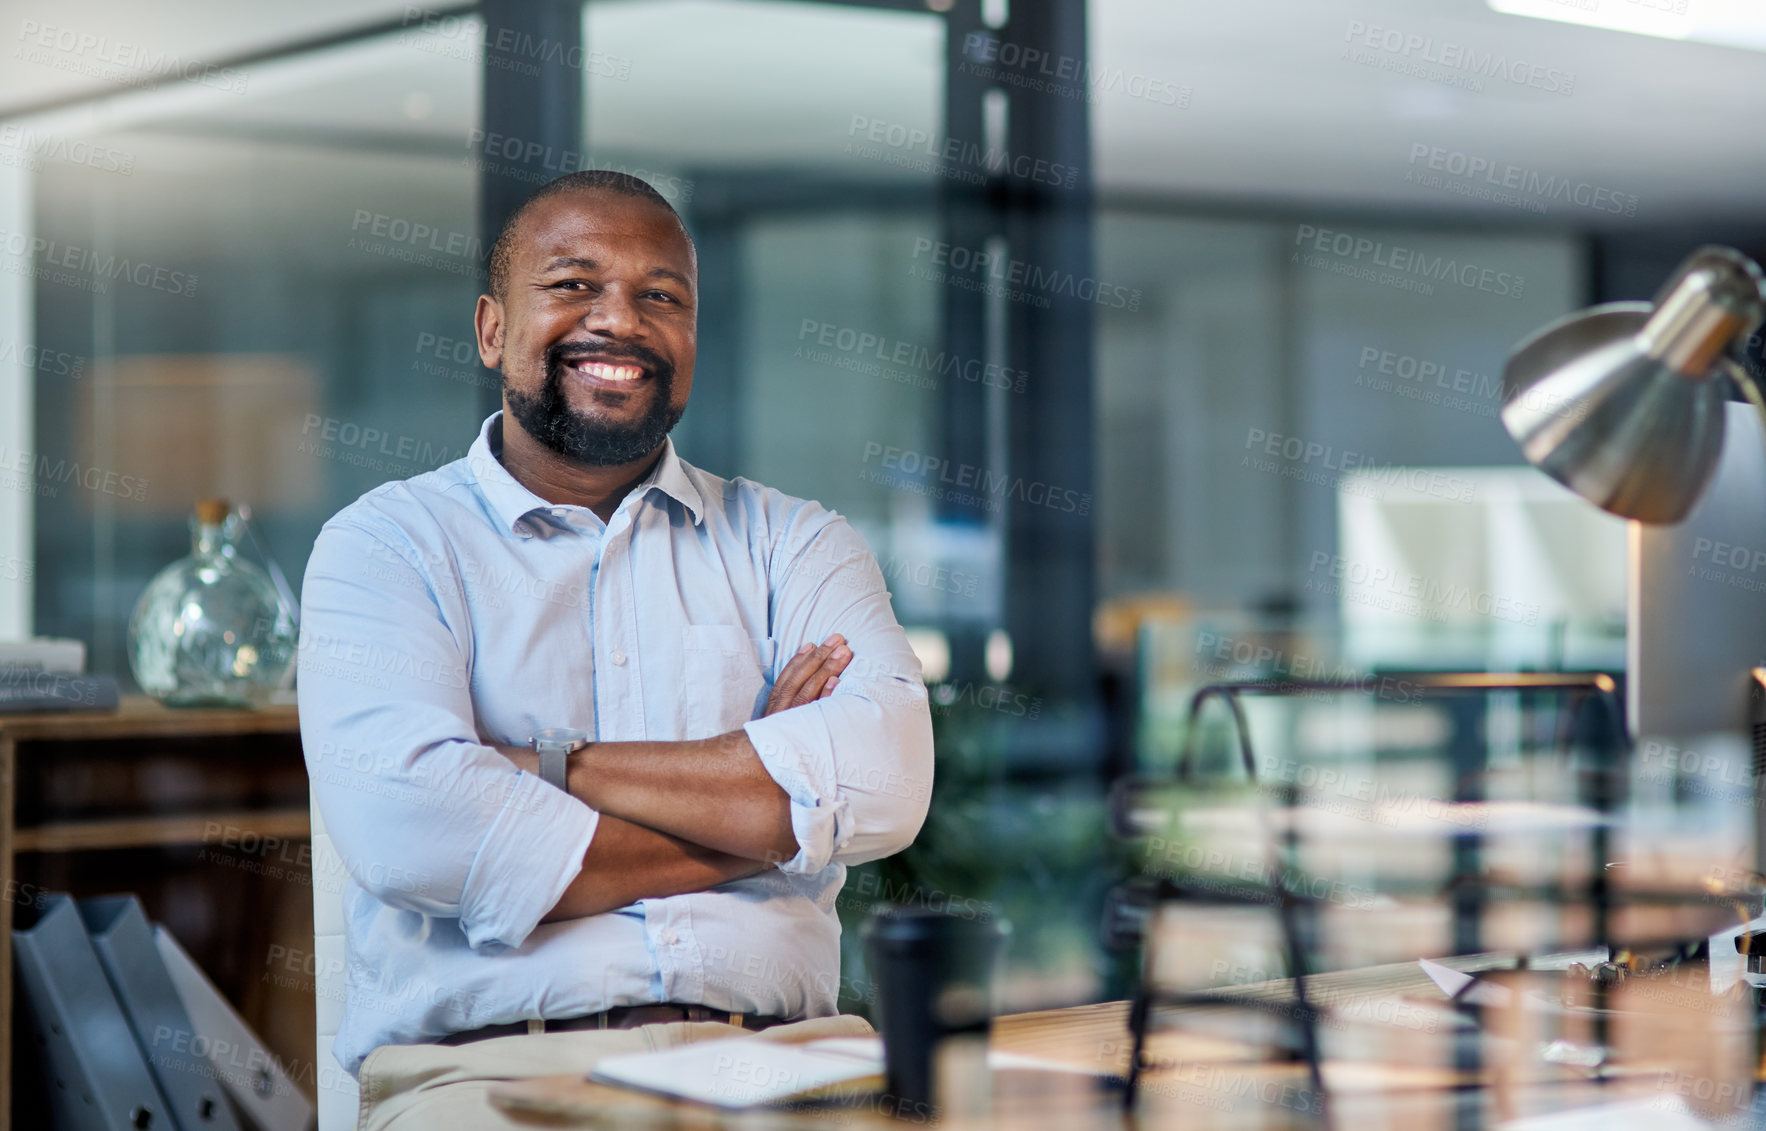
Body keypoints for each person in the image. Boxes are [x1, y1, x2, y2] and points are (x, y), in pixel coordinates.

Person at [297, 170, 933, 1128]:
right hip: (491, 1079)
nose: (619, 320)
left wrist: (544, 767)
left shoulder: (794, 541)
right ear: (492, 330)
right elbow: (413, 831)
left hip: (786, 1059)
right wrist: (765, 810)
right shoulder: (386, 547)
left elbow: (886, 781)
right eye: (572, 284)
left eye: (659, 296)